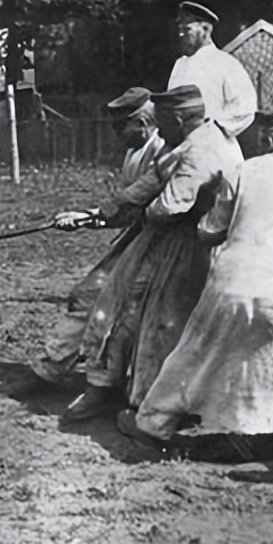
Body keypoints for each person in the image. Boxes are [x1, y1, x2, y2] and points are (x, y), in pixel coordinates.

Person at [118, 110, 273, 449]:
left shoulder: (244, 171)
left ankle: (153, 423)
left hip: (237, 284)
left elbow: (210, 232)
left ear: (267, 140)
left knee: (193, 352)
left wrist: (210, 213)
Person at [59, 84, 244, 421]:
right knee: (122, 309)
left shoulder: (204, 150)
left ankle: (155, 406)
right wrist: (102, 212)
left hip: (193, 247)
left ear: (177, 118)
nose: (159, 129)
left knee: (165, 324)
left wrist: (135, 215)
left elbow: (170, 206)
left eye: (163, 121)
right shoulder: (184, 144)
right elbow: (148, 184)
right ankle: (112, 388)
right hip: (165, 240)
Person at [35, 88, 166, 384]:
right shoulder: (135, 153)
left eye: (122, 127)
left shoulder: (162, 151)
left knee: (91, 295)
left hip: (161, 242)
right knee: (95, 300)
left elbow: (133, 208)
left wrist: (85, 217)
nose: (117, 134)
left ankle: (54, 367)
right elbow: (123, 212)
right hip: (138, 237)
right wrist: (82, 219)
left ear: (144, 123)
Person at [167, 1, 257, 141]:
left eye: (187, 29)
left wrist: (214, 127)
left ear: (206, 29)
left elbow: (246, 108)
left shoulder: (226, 63)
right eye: (180, 29)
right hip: (181, 145)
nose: (181, 34)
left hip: (214, 146)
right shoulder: (180, 64)